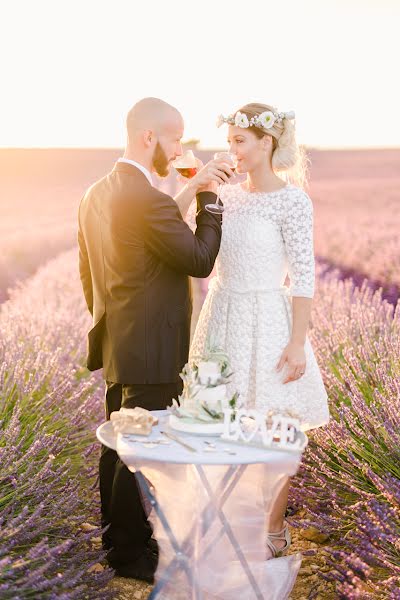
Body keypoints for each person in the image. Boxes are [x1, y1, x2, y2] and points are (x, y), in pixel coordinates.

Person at [78, 97, 232, 581]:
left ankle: (118, 544)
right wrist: (211, 201)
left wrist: (193, 187)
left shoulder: (98, 193)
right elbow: (199, 258)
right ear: (150, 138)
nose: (182, 148)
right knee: (137, 453)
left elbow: (90, 274)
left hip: (123, 341)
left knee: (117, 449)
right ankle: (130, 554)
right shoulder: (143, 198)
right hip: (153, 347)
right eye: (176, 138)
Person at [178, 102, 330, 559]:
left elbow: (303, 276)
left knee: (273, 430)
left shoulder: (292, 200)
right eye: (229, 142)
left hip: (269, 322)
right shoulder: (226, 195)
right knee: (218, 425)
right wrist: (197, 184)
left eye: (240, 141)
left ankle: (273, 528)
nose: (233, 151)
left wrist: (297, 342)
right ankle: (223, 522)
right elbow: (172, 230)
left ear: (268, 143)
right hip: (222, 316)